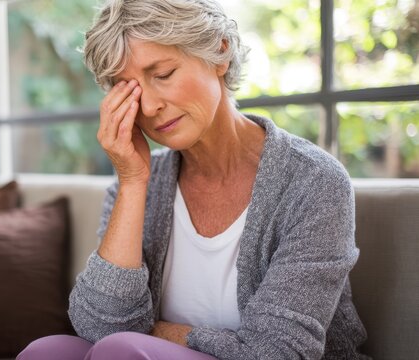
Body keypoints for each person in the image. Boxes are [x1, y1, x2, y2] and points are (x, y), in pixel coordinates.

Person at [18, 0, 369, 359]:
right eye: (129, 90)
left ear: (220, 52)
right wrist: (133, 180)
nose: (150, 106)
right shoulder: (140, 186)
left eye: (163, 74)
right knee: (48, 351)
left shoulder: (313, 182)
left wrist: (155, 332)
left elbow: (275, 352)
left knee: (122, 348)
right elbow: (98, 327)